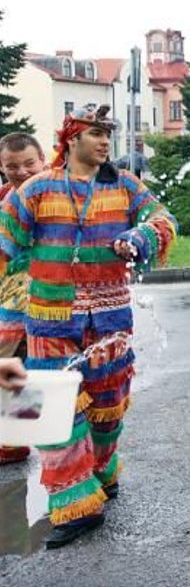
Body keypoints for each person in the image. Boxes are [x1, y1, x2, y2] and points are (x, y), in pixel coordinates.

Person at [0, 104, 178, 548]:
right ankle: (76, 506)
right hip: (48, 321)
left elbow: (164, 220)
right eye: (96, 133)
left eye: (107, 134)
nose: (104, 141)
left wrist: (143, 237)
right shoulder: (37, 189)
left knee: (108, 409)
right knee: (52, 415)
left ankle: (103, 470)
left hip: (111, 321)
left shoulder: (125, 186)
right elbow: (4, 243)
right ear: (72, 137)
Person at [0, 132, 46, 465]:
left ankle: (23, 435)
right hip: (8, 304)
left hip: (49, 300)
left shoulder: (56, 197)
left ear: (42, 161)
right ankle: (14, 441)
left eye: (29, 163)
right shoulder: (3, 199)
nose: (22, 171)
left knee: (37, 364)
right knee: (12, 363)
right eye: (12, 166)